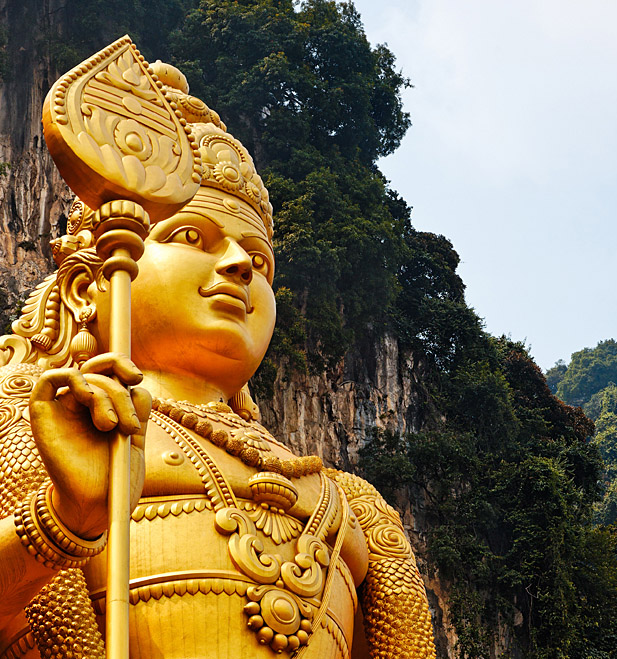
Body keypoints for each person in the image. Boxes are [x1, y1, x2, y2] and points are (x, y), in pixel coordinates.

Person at [0, 60, 435, 658]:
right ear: (86, 287)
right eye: (189, 237)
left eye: (259, 260)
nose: (238, 266)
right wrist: (62, 521)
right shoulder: (35, 415)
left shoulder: (352, 501)